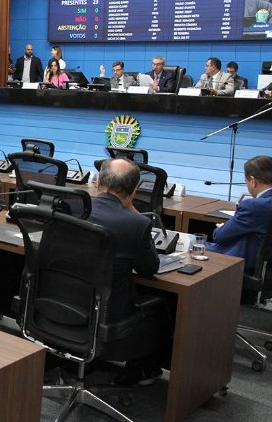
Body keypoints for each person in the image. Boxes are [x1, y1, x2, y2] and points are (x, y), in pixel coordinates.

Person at [87, 158, 164, 386]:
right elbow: (150, 268)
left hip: (65, 306)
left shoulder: (74, 209)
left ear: (98, 181)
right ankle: (143, 369)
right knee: (161, 306)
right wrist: (133, 211)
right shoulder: (136, 224)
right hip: (107, 317)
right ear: (134, 191)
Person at [207, 156, 272, 274]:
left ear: (253, 181)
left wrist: (223, 227)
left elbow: (219, 237)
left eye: (246, 181)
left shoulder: (252, 206)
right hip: (269, 268)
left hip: (239, 265)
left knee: (191, 245)